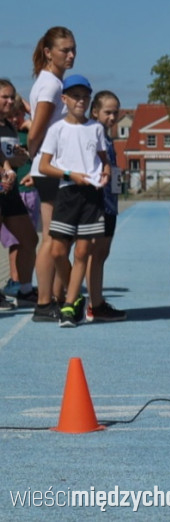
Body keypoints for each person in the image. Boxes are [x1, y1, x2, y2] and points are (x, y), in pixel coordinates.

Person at [37, 75, 112, 328]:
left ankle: (69, 305)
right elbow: (45, 166)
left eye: (85, 97)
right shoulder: (56, 129)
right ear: (65, 99)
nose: (81, 101)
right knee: (58, 251)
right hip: (68, 193)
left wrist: (107, 170)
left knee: (83, 251)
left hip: (91, 195)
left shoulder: (96, 128)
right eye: (75, 96)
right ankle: (75, 293)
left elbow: (104, 159)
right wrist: (70, 174)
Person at [27, 27, 76, 322]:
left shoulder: (50, 82)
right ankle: (45, 302)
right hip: (51, 170)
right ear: (48, 52)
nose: (70, 56)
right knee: (52, 239)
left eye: (73, 50)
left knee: (56, 238)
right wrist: (33, 154)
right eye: (64, 50)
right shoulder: (52, 86)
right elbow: (37, 130)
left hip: (50, 169)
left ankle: (54, 298)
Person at [83, 90, 128, 322]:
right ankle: (94, 303)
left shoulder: (108, 138)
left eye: (116, 112)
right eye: (108, 112)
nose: (112, 117)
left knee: (102, 253)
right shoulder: (94, 135)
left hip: (110, 203)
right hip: (98, 203)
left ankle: (96, 301)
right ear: (95, 112)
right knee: (94, 254)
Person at [0, 81, 39, 312]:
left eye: (12, 97)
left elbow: (11, 156)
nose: (10, 101)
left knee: (30, 239)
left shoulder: (9, 126)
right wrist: (8, 166)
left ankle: (24, 290)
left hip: (10, 193)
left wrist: (19, 157)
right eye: (4, 97)